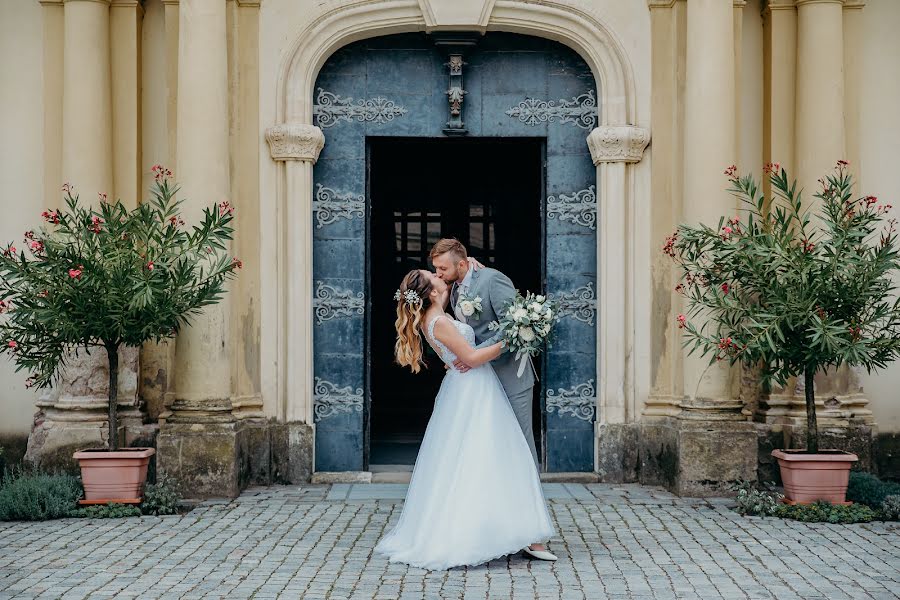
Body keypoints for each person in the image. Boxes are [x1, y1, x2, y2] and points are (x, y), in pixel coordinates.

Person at [373, 269, 556, 570]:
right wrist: (515, 335)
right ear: (431, 292)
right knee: (487, 458)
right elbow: (470, 359)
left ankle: (513, 531)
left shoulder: (436, 316)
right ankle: (487, 534)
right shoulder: (440, 322)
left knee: (485, 457)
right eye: (433, 276)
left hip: (470, 389)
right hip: (474, 391)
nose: (437, 275)